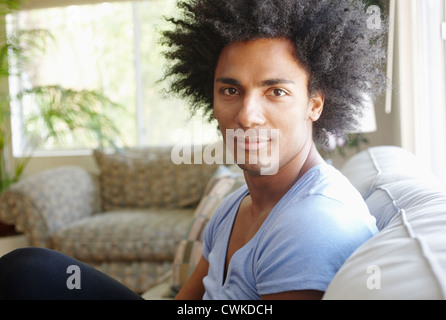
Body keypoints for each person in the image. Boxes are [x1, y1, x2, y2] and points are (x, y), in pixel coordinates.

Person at [0, 0, 386, 300]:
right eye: (231, 90)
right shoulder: (236, 206)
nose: (247, 115)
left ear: (314, 103)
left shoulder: (313, 223)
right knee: (29, 270)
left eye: (276, 92)